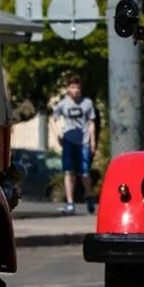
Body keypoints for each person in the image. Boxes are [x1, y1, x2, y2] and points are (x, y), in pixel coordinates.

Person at [52, 76, 99, 215]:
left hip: (83, 142)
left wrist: (92, 142)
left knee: (85, 173)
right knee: (68, 172)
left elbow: (91, 123)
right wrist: (57, 135)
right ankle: (70, 203)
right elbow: (52, 119)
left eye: (78, 87)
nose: (76, 90)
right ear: (68, 89)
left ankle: (89, 196)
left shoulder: (87, 103)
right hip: (68, 141)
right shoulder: (63, 104)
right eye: (73, 87)